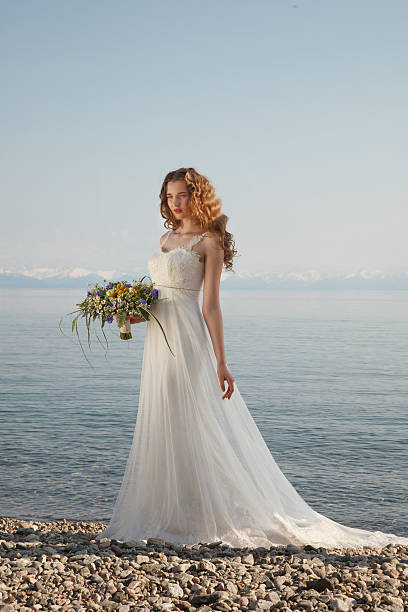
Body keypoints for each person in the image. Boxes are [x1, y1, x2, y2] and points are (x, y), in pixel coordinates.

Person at [97, 167, 408, 549]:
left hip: (191, 342)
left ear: (197, 196)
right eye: (169, 196)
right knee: (164, 419)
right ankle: (170, 513)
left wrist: (221, 362)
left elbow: (209, 306)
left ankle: (202, 516)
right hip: (159, 345)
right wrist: (129, 314)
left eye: (181, 195)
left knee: (195, 422)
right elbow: (161, 300)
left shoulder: (209, 241)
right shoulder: (165, 240)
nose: (174, 203)